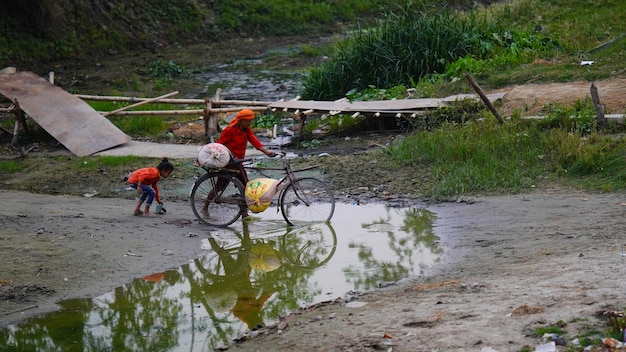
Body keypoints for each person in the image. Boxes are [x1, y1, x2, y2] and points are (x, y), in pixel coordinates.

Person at [202, 109, 275, 219]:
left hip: (239, 164)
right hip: (228, 164)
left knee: (246, 187)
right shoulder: (229, 130)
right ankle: (205, 208)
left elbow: (255, 141)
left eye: (250, 121)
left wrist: (267, 152)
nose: (249, 123)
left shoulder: (246, 131)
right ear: (240, 120)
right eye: (248, 121)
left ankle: (244, 212)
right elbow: (218, 145)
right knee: (219, 187)